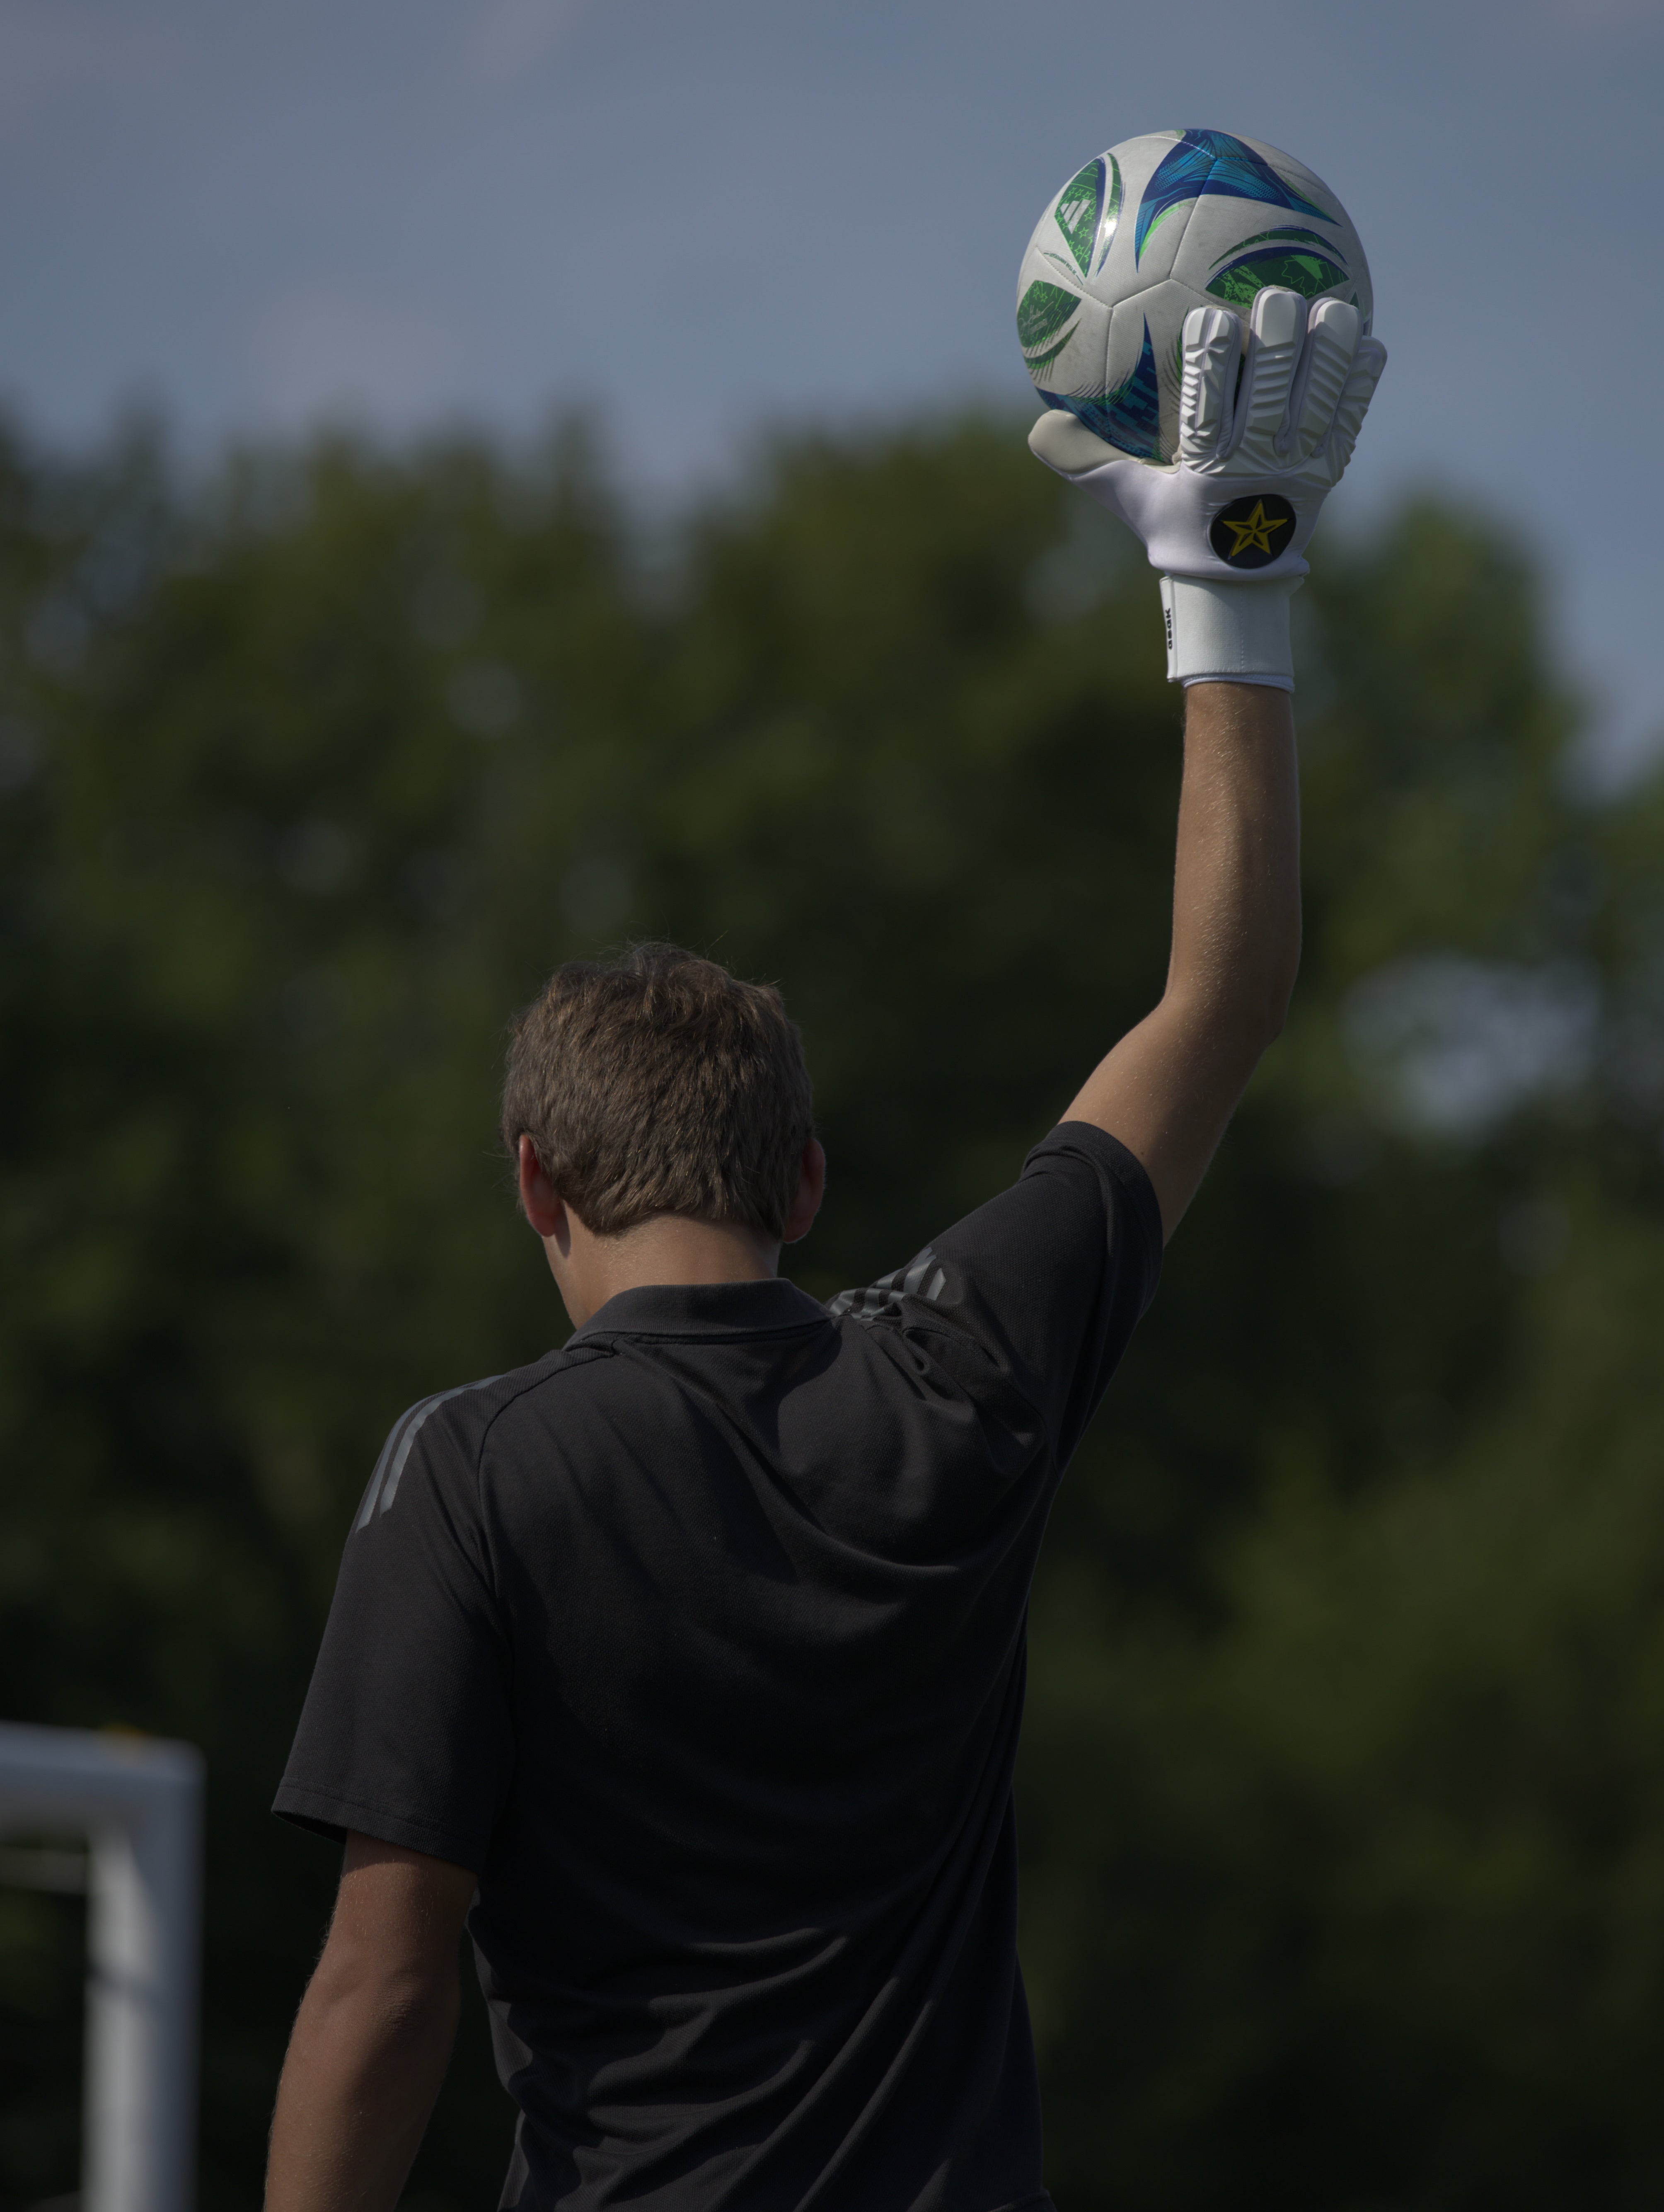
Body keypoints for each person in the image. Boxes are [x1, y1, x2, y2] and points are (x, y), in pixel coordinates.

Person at [264, 283, 1384, 2212]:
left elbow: (383, 1978)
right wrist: (1232, 580)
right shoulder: (958, 1373)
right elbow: (1224, 993)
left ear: (536, 1183)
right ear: (802, 1176)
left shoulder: (466, 1474)